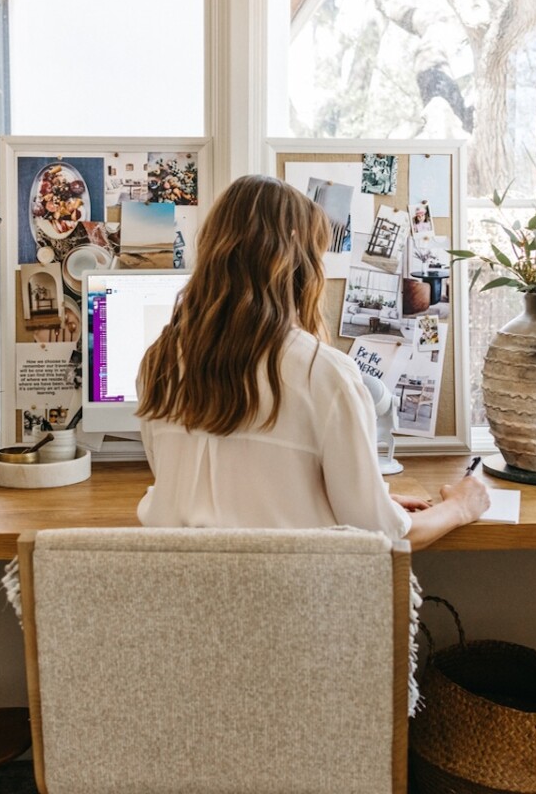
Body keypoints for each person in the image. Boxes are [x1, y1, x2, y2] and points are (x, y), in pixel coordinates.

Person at [136, 175, 488, 550]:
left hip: (190, 601)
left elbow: (214, 497)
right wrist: (461, 507)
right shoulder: (324, 374)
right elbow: (381, 537)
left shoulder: (157, 364)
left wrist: (358, 501)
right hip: (289, 601)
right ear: (298, 263)